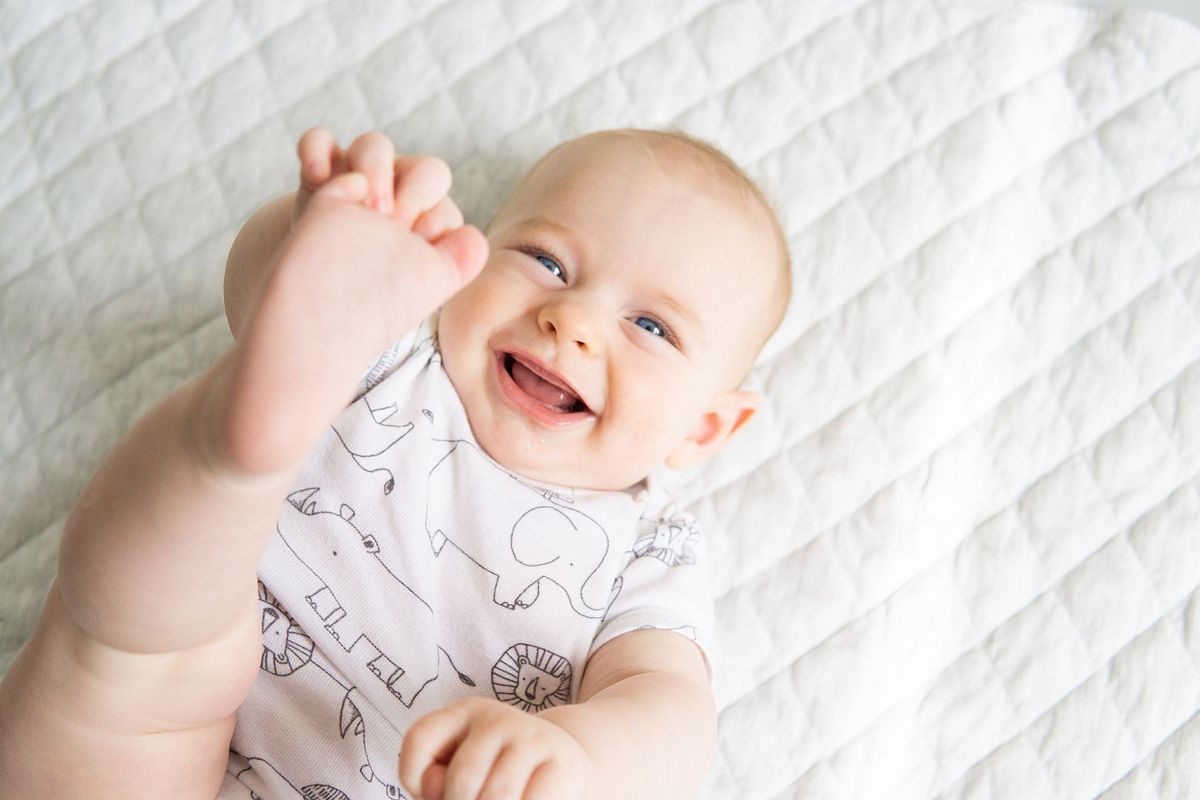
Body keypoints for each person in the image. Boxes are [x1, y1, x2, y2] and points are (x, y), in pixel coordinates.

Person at [0, 125, 790, 799]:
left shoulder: (647, 550)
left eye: (651, 327)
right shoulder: (399, 355)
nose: (572, 319)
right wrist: (309, 243)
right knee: (151, 645)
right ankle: (220, 457)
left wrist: (581, 756)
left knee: (157, 642)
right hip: (169, 724)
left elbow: (670, 707)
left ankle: (222, 462)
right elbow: (254, 296)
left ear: (704, 429)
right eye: (546, 260)